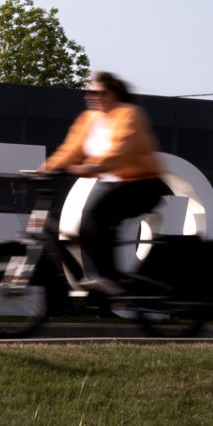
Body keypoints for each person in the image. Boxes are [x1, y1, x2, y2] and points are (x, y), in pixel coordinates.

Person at [40, 71, 169, 293]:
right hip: (110, 182)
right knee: (85, 229)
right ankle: (102, 281)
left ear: (113, 94)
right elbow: (71, 149)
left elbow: (123, 148)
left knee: (95, 220)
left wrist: (93, 166)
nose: (91, 96)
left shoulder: (129, 114)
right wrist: (46, 168)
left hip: (142, 183)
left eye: (97, 92)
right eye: (88, 92)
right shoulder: (88, 119)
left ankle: (110, 280)